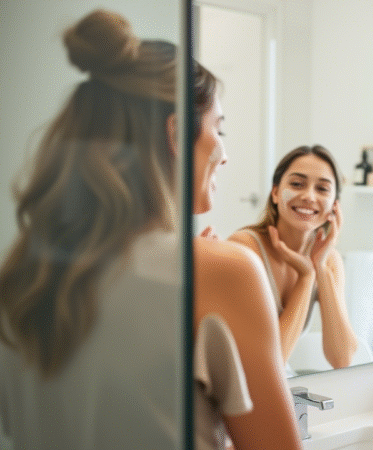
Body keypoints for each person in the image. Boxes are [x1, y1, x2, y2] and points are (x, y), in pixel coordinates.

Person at [0, 10, 302, 450]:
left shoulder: (22, 276)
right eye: (219, 129)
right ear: (176, 134)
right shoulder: (225, 272)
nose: (224, 154)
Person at [229, 146, 358, 370]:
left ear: (334, 206)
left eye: (322, 189)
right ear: (275, 193)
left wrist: (320, 268)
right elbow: (268, 364)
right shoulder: (245, 249)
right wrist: (306, 277)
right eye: (297, 184)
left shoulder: (329, 260)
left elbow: (342, 358)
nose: (309, 196)